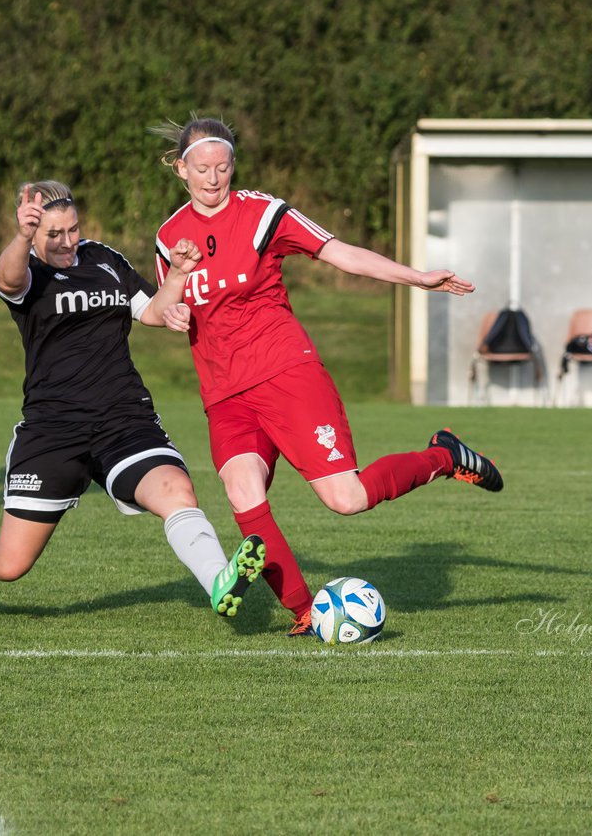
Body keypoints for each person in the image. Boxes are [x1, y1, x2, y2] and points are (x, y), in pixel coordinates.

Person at [152, 116, 503, 637]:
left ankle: (444, 455)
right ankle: (303, 610)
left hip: (285, 373)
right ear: (181, 168)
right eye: (202, 169)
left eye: (222, 167)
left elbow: (340, 254)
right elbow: (162, 309)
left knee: (347, 499)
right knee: (242, 490)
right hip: (225, 394)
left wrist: (417, 277)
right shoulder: (168, 236)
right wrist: (176, 293)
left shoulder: (263, 213)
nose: (213, 178)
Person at [0, 181, 266, 619]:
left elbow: (151, 311)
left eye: (72, 229)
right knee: (10, 562)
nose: (65, 241)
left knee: (176, 490)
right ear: (34, 235)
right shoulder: (29, 271)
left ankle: (218, 581)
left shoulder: (105, 259)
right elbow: (7, 278)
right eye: (52, 234)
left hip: (123, 418)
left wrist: (178, 275)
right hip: (53, 431)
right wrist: (21, 237)